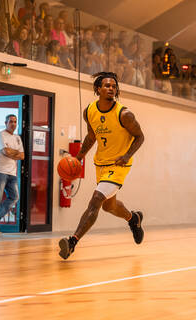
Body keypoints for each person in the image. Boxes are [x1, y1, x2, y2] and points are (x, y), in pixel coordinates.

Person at [58, 72, 145, 260]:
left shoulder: (125, 114)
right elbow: (91, 136)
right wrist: (79, 156)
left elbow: (140, 137)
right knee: (108, 206)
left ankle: (72, 242)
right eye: (107, 85)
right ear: (97, 89)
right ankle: (133, 218)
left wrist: (128, 155)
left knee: (96, 199)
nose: (111, 89)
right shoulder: (89, 111)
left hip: (119, 164)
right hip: (101, 163)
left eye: (114, 86)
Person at [0, 115, 24, 234]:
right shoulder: (0, 135)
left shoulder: (17, 138)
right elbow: (5, 151)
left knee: (14, 197)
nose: (13, 124)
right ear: (5, 123)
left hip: (12, 173)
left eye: (15, 122)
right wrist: (14, 153)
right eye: (10, 122)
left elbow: (22, 155)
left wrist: (12, 152)